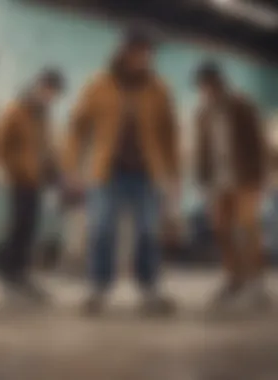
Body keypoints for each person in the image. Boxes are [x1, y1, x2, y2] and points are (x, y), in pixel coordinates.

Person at [62, 28, 180, 315]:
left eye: (147, 54)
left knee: (148, 232)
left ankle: (149, 288)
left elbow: (169, 134)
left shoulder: (159, 88)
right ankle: (98, 289)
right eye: (138, 52)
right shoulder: (98, 85)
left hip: (146, 174)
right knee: (101, 230)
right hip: (106, 173)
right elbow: (77, 127)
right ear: (124, 53)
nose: (144, 58)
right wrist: (72, 169)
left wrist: (174, 175)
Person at [194, 61, 267, 312]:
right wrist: (202, 181)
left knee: (247, 228)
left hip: (244, 179)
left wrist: (259, 178)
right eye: (202, 87)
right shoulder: (203, 113)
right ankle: (233, 279)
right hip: (218, 182)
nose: (206, 91)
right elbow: (202, 151)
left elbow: (257, 143)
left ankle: (255, 282)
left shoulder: (241, 106)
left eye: (208, 85)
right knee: (222, 230)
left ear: (218, 84)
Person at [0, 69, 65, 304]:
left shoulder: (42, 115)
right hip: (20, 179)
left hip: (37, 180)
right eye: (47, 90)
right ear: (38, 86)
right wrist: (15, 169)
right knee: (19, 226)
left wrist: (55, 171)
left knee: (29, 228)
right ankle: (10, 275)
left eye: (53, 93)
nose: (49, 96)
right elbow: (2, 143)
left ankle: (21, 274)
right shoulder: (17, 110)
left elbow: (45, 147)